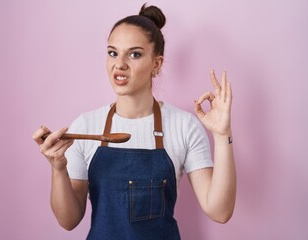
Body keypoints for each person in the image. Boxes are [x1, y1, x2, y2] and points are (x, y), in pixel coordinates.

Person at [33, 4, 236, 240]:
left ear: (157, 64)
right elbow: (68, 220)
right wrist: (57, 168)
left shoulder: (184, 126)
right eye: (112, 52)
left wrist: (222, 136)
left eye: (134, 54)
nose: (119, 64)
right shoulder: (85, 126)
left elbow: (220, 211)